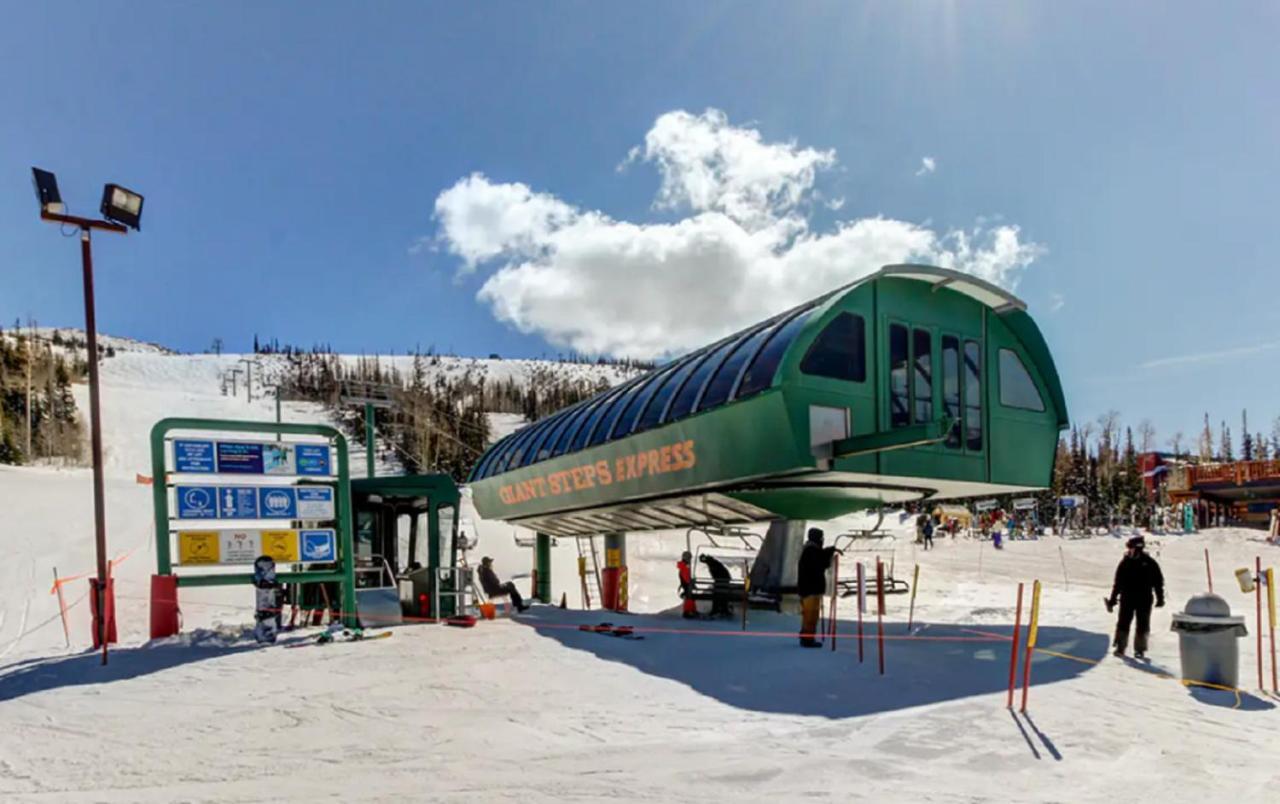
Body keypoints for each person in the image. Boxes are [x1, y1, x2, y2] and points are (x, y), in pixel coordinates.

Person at [1106, 536, 1165, 659]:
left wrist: (1160, 598)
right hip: (1127, 598)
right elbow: (1118, 583)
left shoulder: (1149, 563)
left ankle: (1140, 649)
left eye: (1133, 548)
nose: (1132, 551)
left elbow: (1158, 582)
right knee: (1123, 622)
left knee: (1143, 624)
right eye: (1131, 549)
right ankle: (1120, 647)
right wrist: (1112, 600)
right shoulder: (1125, 563)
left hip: (1144, 599)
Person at [796, 527, 839, 648]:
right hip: (810, 590)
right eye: (821, 538)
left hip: (809, 589)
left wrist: (828, 551)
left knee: (810, 616)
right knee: (811, 616)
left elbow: (820, 558)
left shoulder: (811, 550)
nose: (822, 540)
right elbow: (822, 563)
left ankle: (806, 637)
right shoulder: (811, 551)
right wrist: (829, 552)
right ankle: (807, 640)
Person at [677, 551, 697, 618]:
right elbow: (686, 577)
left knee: (690, 598)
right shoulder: (684, 566)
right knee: (689, 598)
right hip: (687, 585)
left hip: (686, 584)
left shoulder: (684, 566)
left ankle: (691, 611)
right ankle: (688, 611)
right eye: (689, 558)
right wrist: (690, 582)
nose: (690, 560)